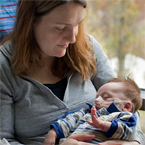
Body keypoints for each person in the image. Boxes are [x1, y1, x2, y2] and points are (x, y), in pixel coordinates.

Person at [0, 0, 144, 145]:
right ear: (30, 22)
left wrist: (133, 142)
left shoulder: (89, 48)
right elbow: (4, 140)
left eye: (77, 24)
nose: (73, 38)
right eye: (60, 27)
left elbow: (126, 103)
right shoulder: (4, 66)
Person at [43, 77, 142, 145]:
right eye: (97, 96)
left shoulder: (124, 117)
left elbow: (130, 132)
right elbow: (68, 120)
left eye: (105, 97)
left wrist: (104, 125)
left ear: (126, 106)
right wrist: (53, 132)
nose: (97, 100)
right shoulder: (86, 113)